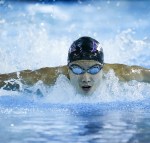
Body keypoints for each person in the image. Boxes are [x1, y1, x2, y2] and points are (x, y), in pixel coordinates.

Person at [0, 36, 150, 95]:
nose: (86, 78)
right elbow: (9, 79)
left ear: (102, 68)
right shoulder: (50, 77)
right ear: (68, 69)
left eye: (94, 69)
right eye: (77, 69)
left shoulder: (120, 74)